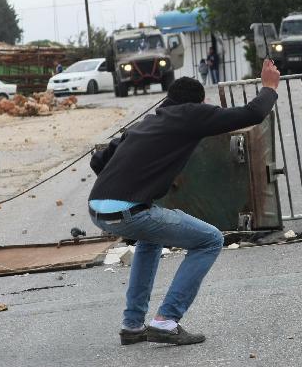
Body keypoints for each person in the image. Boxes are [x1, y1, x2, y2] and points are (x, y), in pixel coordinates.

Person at [87, 58, 280, 346]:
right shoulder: (193, 114)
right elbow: (252, 114)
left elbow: (98, 161)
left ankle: (132, 325)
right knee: (210, 240)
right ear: (198, 102)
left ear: (169, 99)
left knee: (150, 239)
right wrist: (269, 87)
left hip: (97, 209)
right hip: (129, 211)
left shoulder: (148, 123)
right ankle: (166, 320)